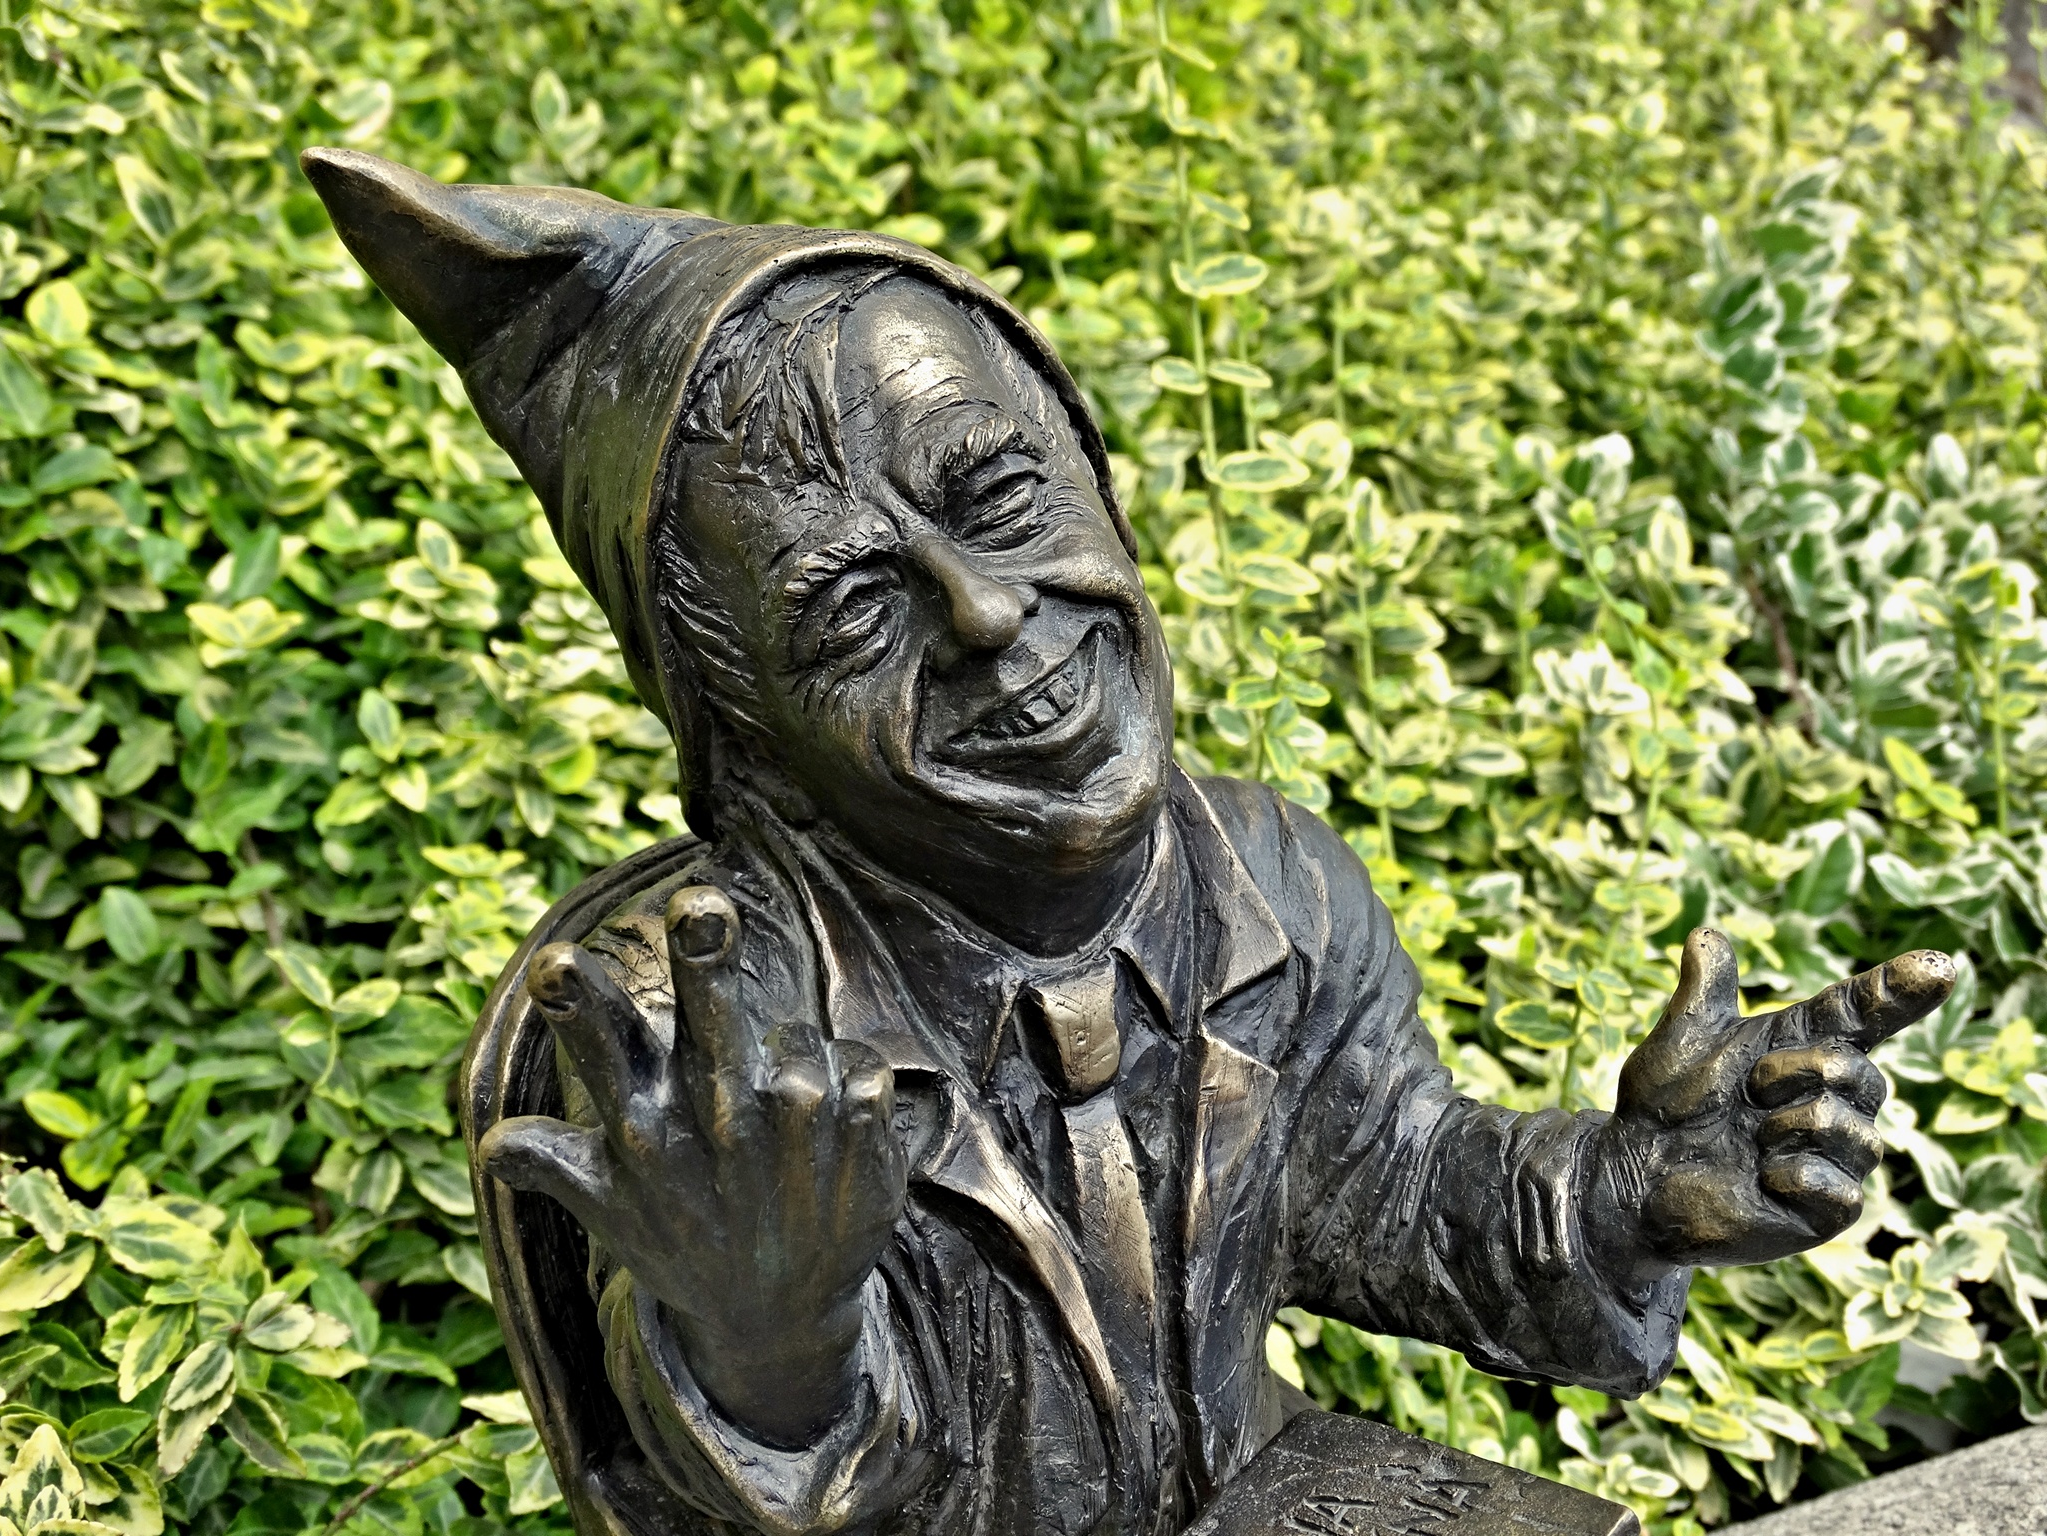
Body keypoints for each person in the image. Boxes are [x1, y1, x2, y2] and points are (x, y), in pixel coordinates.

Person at [304, 148, 1955, 1536]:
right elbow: (746, 1495)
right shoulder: (695, 1034)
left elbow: (1394, 1189)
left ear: (1096, 480)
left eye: (1002, 497)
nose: (989, 614)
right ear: (745, 739)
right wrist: (767, 1343)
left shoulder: (1269, 881)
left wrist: (1627, 1193)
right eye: (853, 611)